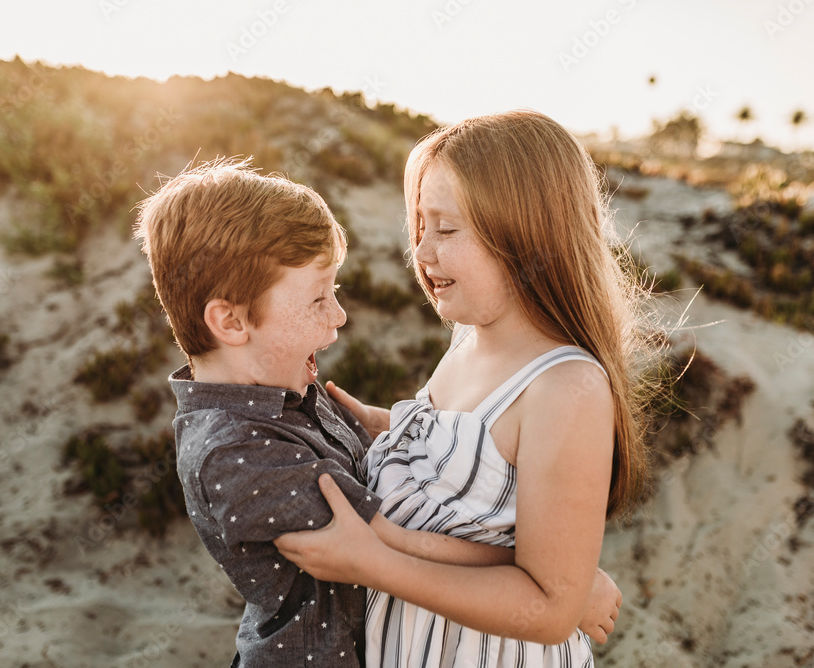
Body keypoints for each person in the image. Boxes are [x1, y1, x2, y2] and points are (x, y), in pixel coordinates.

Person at [133, 157, 623, 667]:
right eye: (320, 298)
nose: (340, 316)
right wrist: (566, 582)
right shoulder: (235, 451)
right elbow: (384, 537)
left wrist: (388, 426)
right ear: (231, 322)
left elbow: (447, 453)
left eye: (335, 293)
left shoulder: (284, 392)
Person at [275, 110, 654, 667]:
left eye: (447, 230)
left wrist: (373, 564)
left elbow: (550, 609)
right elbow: (471, 453)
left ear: (529, 237)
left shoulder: (565, 387)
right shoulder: (467, 341)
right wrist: (384, 426)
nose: (422, 254)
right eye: (420, 228)